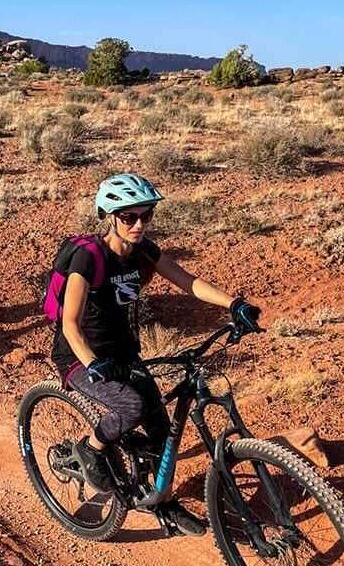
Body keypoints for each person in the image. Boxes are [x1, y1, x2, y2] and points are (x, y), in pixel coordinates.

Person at [52, 173, 261, 536]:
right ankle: (91, 449)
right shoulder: (89, 258)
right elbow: (70, 323)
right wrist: (91, 363)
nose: (138, 224)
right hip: (80, 356)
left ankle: (162, 501)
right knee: (130, 407)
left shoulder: (144, 251)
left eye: (145, 216)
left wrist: (234, 304)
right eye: (128, 217)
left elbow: (187, 280)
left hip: (124, 350)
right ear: (109, 215)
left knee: (163, 431)